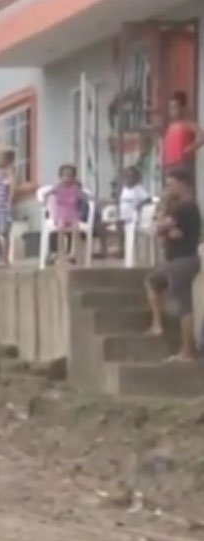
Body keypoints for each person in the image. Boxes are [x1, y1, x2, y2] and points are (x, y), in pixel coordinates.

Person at [145, 170, 201, 362]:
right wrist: (167, 230)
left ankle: (187, 351)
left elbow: (159, 228)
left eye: (171, 184)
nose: (167, 189)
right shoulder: (178, 207)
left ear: (183, 184)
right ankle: (157, 325)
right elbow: (162, 232)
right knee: (153, 281)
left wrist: (163, 226)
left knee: (183, 304)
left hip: (183, 261)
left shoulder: (184, 207)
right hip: (175, 260)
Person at [44, 164, 88, 265]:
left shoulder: (75, 188)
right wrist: (43, 200)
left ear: (73, 177)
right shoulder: (58, 187)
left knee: (76, 229)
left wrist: (90, 198)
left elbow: (84, 196)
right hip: (61, 213)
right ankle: (60, 252)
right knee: (61, 229)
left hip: (72, 212)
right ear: (60, 176)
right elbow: (48, 193)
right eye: (65, 175)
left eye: (70, 176)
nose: (67, 178)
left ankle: (73, 253)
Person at [163, 91, 203, 179]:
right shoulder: (170, 127)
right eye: (170, 108)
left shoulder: (187, 124)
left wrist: (190, 148)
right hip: (170, 167)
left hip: (182, 166)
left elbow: (201, 137)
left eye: (175, 107)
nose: (172, 111)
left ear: (182, 108)